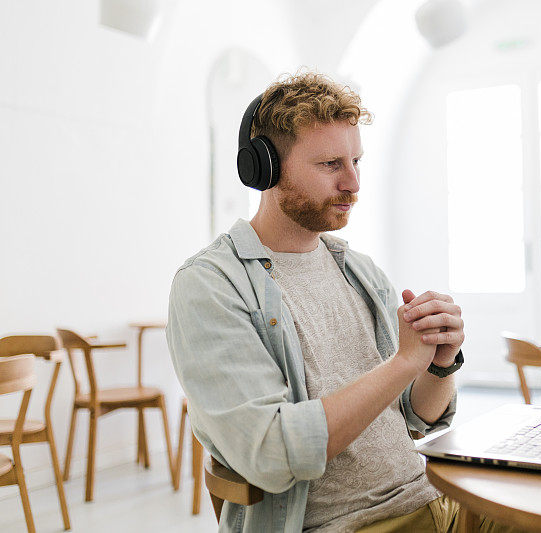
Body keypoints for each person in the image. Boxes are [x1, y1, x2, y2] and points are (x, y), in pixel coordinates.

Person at [167, 71, 516, 532]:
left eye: (356, 161)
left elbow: (417, 416)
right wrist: (403, 362)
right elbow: (272, 454)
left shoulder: (359, 271)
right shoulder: (211, 286)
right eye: (331, 164)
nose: (353, 183)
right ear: (264, 169)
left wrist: (437, 363)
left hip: (438, 501)